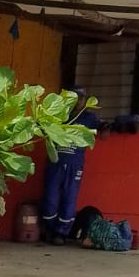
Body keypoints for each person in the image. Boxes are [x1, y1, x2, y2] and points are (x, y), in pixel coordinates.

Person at [41, 103, 99, 243]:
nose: (77, 101)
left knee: (69, 198)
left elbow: (103, 132)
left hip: (74, 165)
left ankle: (61, 233)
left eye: (81, 98)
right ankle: (50, 229)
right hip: (55, 164)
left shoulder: (88, 118)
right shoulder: (57, 114)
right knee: (50, 199)